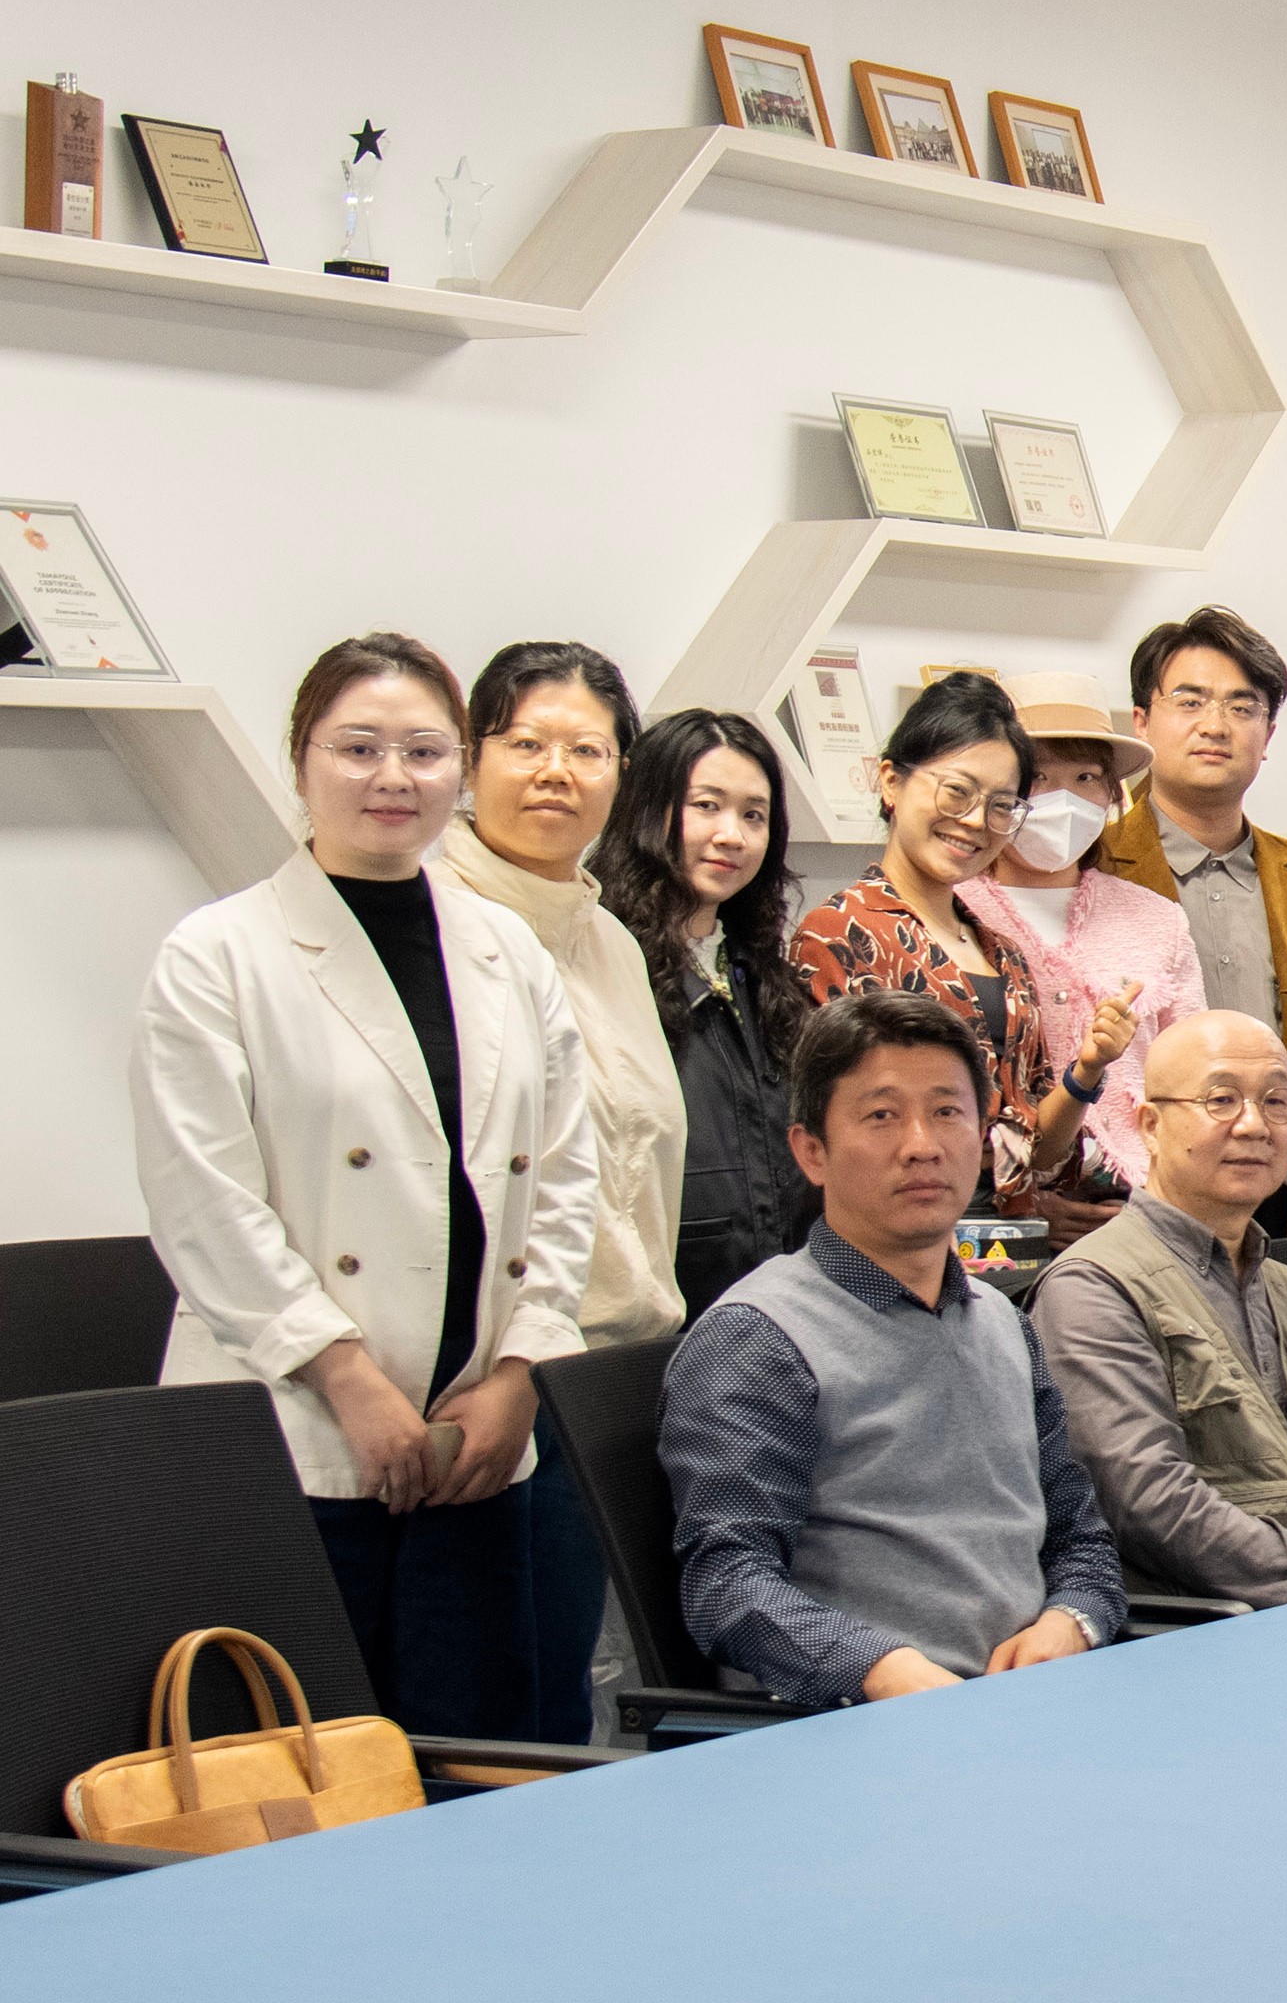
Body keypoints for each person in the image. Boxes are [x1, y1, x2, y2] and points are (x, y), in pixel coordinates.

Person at [137, 633, 597, 1740]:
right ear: (301, 759)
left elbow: (566, 1178)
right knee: (305, 1772)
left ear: (460, 768)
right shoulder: (218, 953)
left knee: (483, 1764)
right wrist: (345, 1376)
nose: (393, 777)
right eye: (358, 747)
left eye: (425, 751)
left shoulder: (506, 949)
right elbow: (204, 1201)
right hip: (292, 1431)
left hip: (473, 1434)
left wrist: (523, 1371)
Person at [663, 990, 1124, 1705]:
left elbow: (1081, 1539)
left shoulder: (1004, 1323)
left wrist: (1072, 1621)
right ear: (811, 1152)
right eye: (881, 1116)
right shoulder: (757, 1338)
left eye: (947, 1112)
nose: (922, 1145)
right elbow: (727, 1584)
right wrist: (880, 1670)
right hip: (868, 1723)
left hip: (1035, 1702)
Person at [431, 640, 679, 1745]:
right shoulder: (431, 927)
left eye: (587, 749)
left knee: (572, 1708)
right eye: (525, 742)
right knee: (490, 1719)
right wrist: (515, 1368)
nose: (554, 771)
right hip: (489, 1386)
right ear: (471, 757)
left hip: (612, 1373)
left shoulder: (612, 939)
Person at [1028, 1012, 1287, 1607]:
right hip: (1225, 1627)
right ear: (1150, 1126)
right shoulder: (1094, 1289)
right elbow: (1149, 1504)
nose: (1254, 1125)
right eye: (1221, 1099)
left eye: (1277, 1102)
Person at [1090, 609, 1287, 1235]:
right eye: (1190, 701)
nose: (1215, 725)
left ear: (1268, 732)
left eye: (1241, 706)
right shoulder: (1093, 867)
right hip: (1136, 1211)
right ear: (1142, 722)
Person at [791, 672, 1127, 1212]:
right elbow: (837, 1128)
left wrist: (1087, 1070)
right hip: (897, 1231)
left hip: (1010, 1242)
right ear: (891, 782)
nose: (974, 822)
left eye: (1001, 805)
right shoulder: (841, 933)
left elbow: (1037, 1153)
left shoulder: (1003, 953)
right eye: (956, 792)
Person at [954, 673, 1205, 1233]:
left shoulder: (1157, 919)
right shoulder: (955, 912)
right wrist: (1029, 1202)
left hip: (1144, 1213)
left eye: (1086, 777)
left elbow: (1191, 1074)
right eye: (1037, 777)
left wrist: (1164, 1199)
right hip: (993, 1221)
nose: (1062, 800)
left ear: (1112, 794)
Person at [596, 708, 808, 1316]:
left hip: (779, 1309)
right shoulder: (603, 960)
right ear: (647, 809)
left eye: (753, 815)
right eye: (706, 806)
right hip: (654, 1315)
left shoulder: (764, 973)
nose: (732, 835)